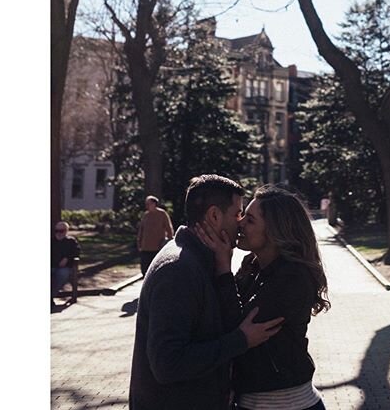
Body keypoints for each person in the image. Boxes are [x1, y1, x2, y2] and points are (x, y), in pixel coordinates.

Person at [129, 175, 284, 410]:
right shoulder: (178, 269)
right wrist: (240, 340)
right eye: (237, 214)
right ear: (214, 216)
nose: (241, 223)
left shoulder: (201, 259)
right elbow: (167, 364)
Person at [197, 185, 329, 410]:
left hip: (288, 405)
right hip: (253, 401)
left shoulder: (294, 278)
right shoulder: (253, 265)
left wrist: (223, 267)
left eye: (250, 220)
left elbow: (235, 326)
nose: (240, 223)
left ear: (276, 231)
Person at [136, 195, 174, 277]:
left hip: (158, 247)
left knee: (156, 269)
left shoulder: (162, 214)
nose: (147, 206)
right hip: (145, 247)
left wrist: (170, 241)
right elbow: (141, 230)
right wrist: (139, 241)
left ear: (154, 204)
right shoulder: (146, 215)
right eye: (146, 204)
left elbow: (168, 228)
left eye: (148, 204)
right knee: (144, 268)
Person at [51, 221, 80, 310]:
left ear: (66, 231)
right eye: (57, 231)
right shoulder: (51, 241)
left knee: (62, 274)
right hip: (51, 265)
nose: (59, 233)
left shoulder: (71, 241)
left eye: (61, 231)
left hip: (65, 267)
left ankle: (50, 296)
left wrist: (67, 258)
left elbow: (76, 252)